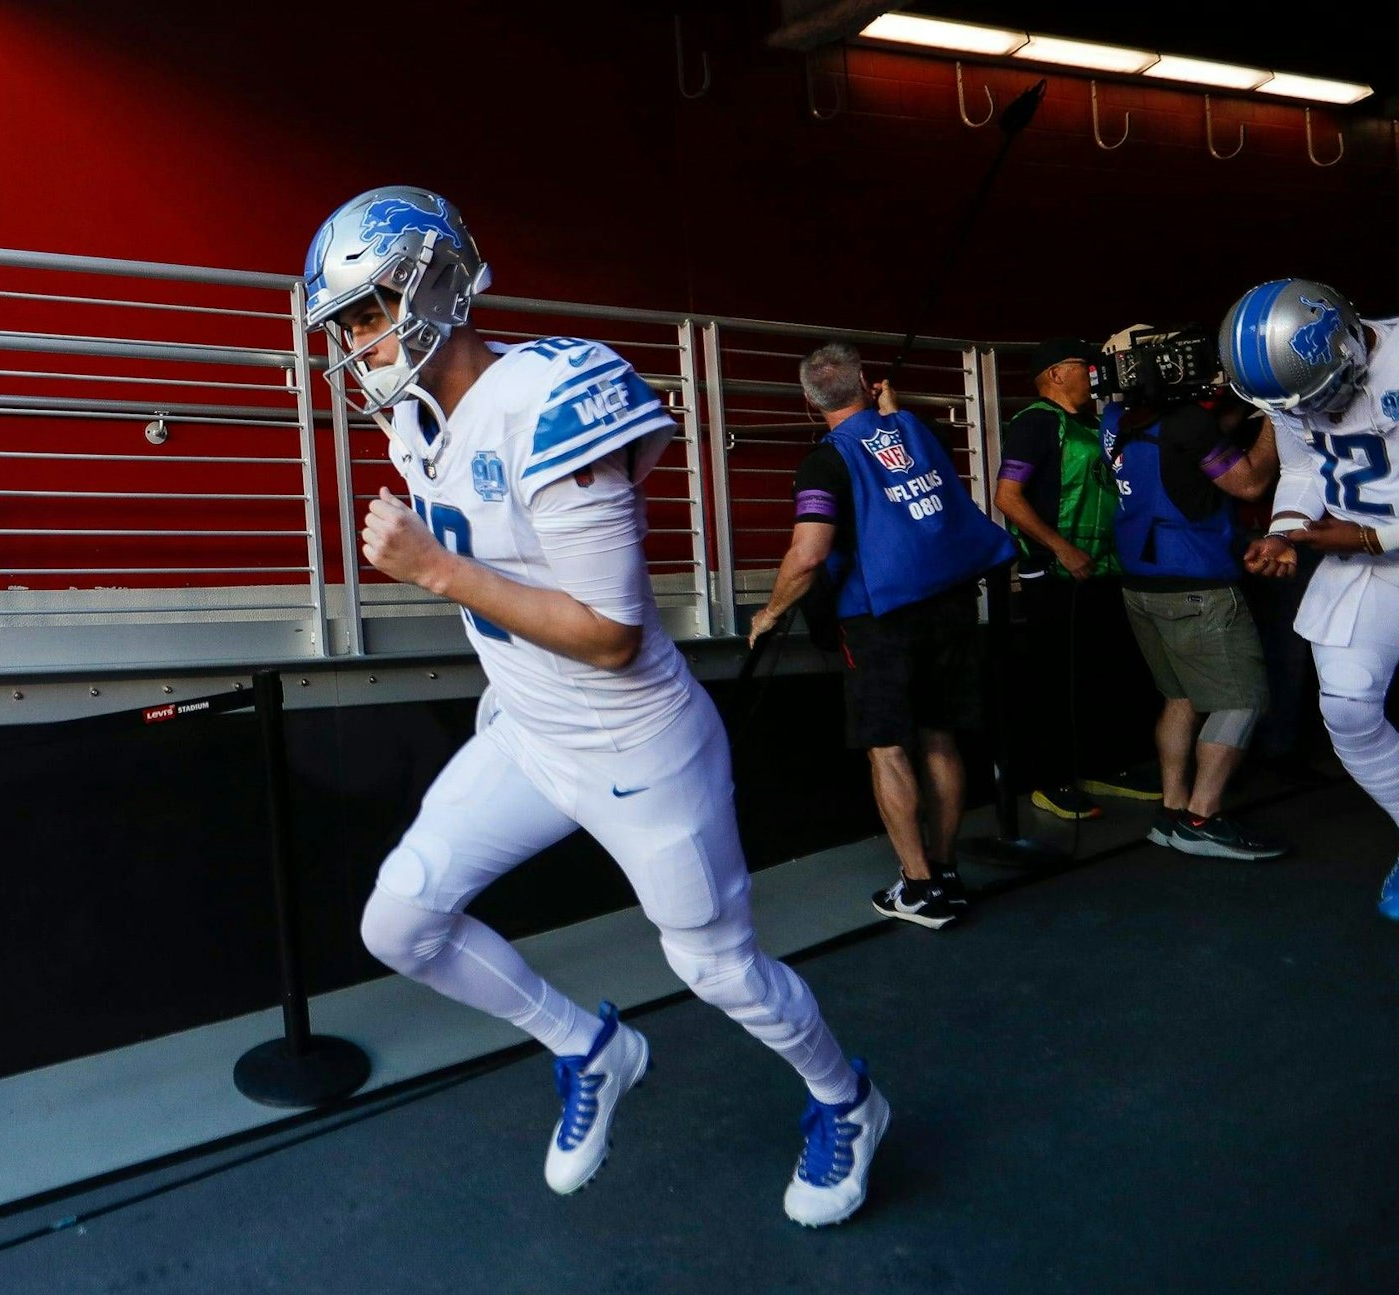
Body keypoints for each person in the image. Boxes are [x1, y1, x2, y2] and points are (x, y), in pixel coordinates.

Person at [301, 186, 886, 1227]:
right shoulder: (409, 414)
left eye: (367, 310)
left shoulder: (553, 398)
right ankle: (591, 1045)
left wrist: (436, 570)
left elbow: (609, 632)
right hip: (532, 732)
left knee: (717, 968)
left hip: (634, 744)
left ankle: (847, 1097)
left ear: (433, 283)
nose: (357, 342)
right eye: (345, 323)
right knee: (399, 919)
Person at [748, 343, 1013, 929]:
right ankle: (944, 871)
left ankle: (919, 888)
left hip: (879, 620)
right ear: (867, 382)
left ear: (807, 401)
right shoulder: (913, 428)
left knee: (889, 748)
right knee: (940, 738)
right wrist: (886, 407)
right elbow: (892, 436)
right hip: (949, 604)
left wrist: (768, 614)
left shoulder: (825, 461)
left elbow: (808, 554)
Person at [1226, 277, 1399, 921]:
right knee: (1348, 707)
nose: (1314, 410)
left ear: (1348, 345)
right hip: (1363, 553)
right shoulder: (1292, 379)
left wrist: (1369, 536)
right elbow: (1302, 466)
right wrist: (1283, 529)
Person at [1096, 338, 1285, 859]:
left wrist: (1232, 410)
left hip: (1141, 584)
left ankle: (1173, 809)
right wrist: (1272, 416)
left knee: (1178, 698)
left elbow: (1185, 443)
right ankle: (1203, 817)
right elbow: (1247, 484)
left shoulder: (1115, 418)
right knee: (1241, 701)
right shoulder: (1187, 425)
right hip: (1197, 588)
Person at [993, 337, 1160, 819]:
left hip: (1105, 568)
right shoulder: (1036, 424)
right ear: (1054, 374)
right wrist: (1061, 549)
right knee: (1054, 681)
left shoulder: (1094, 423)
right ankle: (1052, 781)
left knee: (1103, 673)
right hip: (1058, 574)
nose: (1092, 372)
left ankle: (1103, 767)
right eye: (1081, 365)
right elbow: (1008, 497)